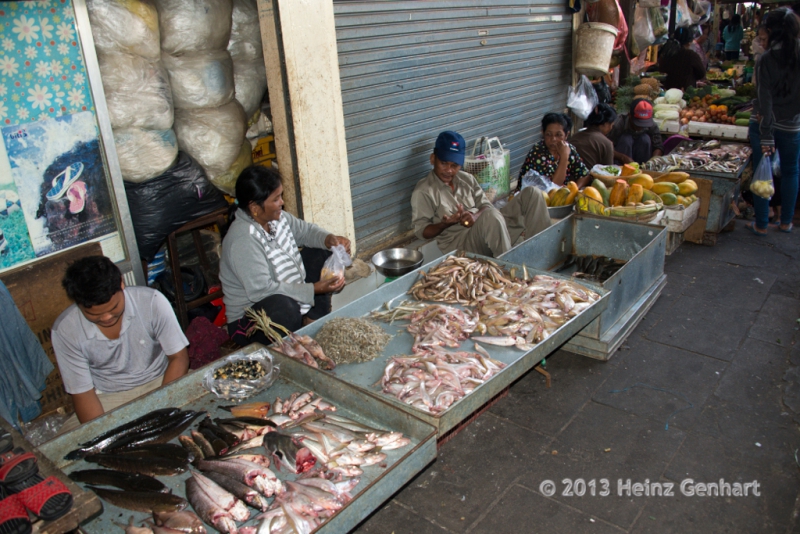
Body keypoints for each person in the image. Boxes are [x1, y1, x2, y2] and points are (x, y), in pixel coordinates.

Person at [52, 256, 189, 429]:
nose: (107, 318)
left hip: (162, 381)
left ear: (121, 284)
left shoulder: (152, 301)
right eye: (94, 314)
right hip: (108, 397)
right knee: (71, 446)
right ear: (78, 303)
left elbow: (179, 358)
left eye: (113, 308)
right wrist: (102, 435)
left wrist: (163, 407)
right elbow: (83, 394)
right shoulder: (65, 329)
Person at [220, 166, 351, 346]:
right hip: (248, 321)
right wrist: (313, 289)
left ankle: (312, 325)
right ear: (254, 207)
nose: (282, 202)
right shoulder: (243, 239)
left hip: (285, 296)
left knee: (322, 252)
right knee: (284, 309)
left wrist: (329, 239)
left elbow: (306, 232)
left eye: (281, 196)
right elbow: (263, 290)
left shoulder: (277, 218)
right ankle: (287, 346)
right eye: (276, 199)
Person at [411, 130, 550, 258]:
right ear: (432, 159)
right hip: (463, 246)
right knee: (491, 216)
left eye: (454, 166)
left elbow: (486, 205)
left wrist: (475, 216)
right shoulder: (424, 191)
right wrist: (444, 224)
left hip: (492, 232)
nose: (448, 170)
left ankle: (541, 257)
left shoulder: (467, 179)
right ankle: (510, 269)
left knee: (533, 194)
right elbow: (421, 232)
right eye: (443, 163)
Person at [746, 7, 800, 236]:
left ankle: (761, 223)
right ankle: (786, 222)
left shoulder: (766, 59)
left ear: (771, 30)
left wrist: (767, 135)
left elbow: (764, 100)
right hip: (792, 125)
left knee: (762, 171)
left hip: (765, 125)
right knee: (791, 171)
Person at [517, 113, 590, 188]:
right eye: (549, 134)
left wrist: (575, 190)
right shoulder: (537, 152)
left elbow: (585, 175)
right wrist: (564, 157)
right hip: (535, 197)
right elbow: (553, 186)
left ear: (566, 135)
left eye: (558, 135)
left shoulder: (569, 149)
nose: (553, 139)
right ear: (543, 133)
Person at [608, 98, 664, 164]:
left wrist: (654, 160)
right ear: (629, 116)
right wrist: (622, 157)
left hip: (641, 155)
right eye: (638, 123)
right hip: (622, 156)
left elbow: (658, 146)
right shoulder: (618, 123)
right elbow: (606, 147)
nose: (640, 127)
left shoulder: (652, 125)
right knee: (626, 139)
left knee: (645, 139)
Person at [570, 104, 617, 169]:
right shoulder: (607, 143)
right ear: (606, 124)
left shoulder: (575, 136)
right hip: (590, 178)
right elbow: (608, 173)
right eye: (611, 125)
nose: (611, 128)